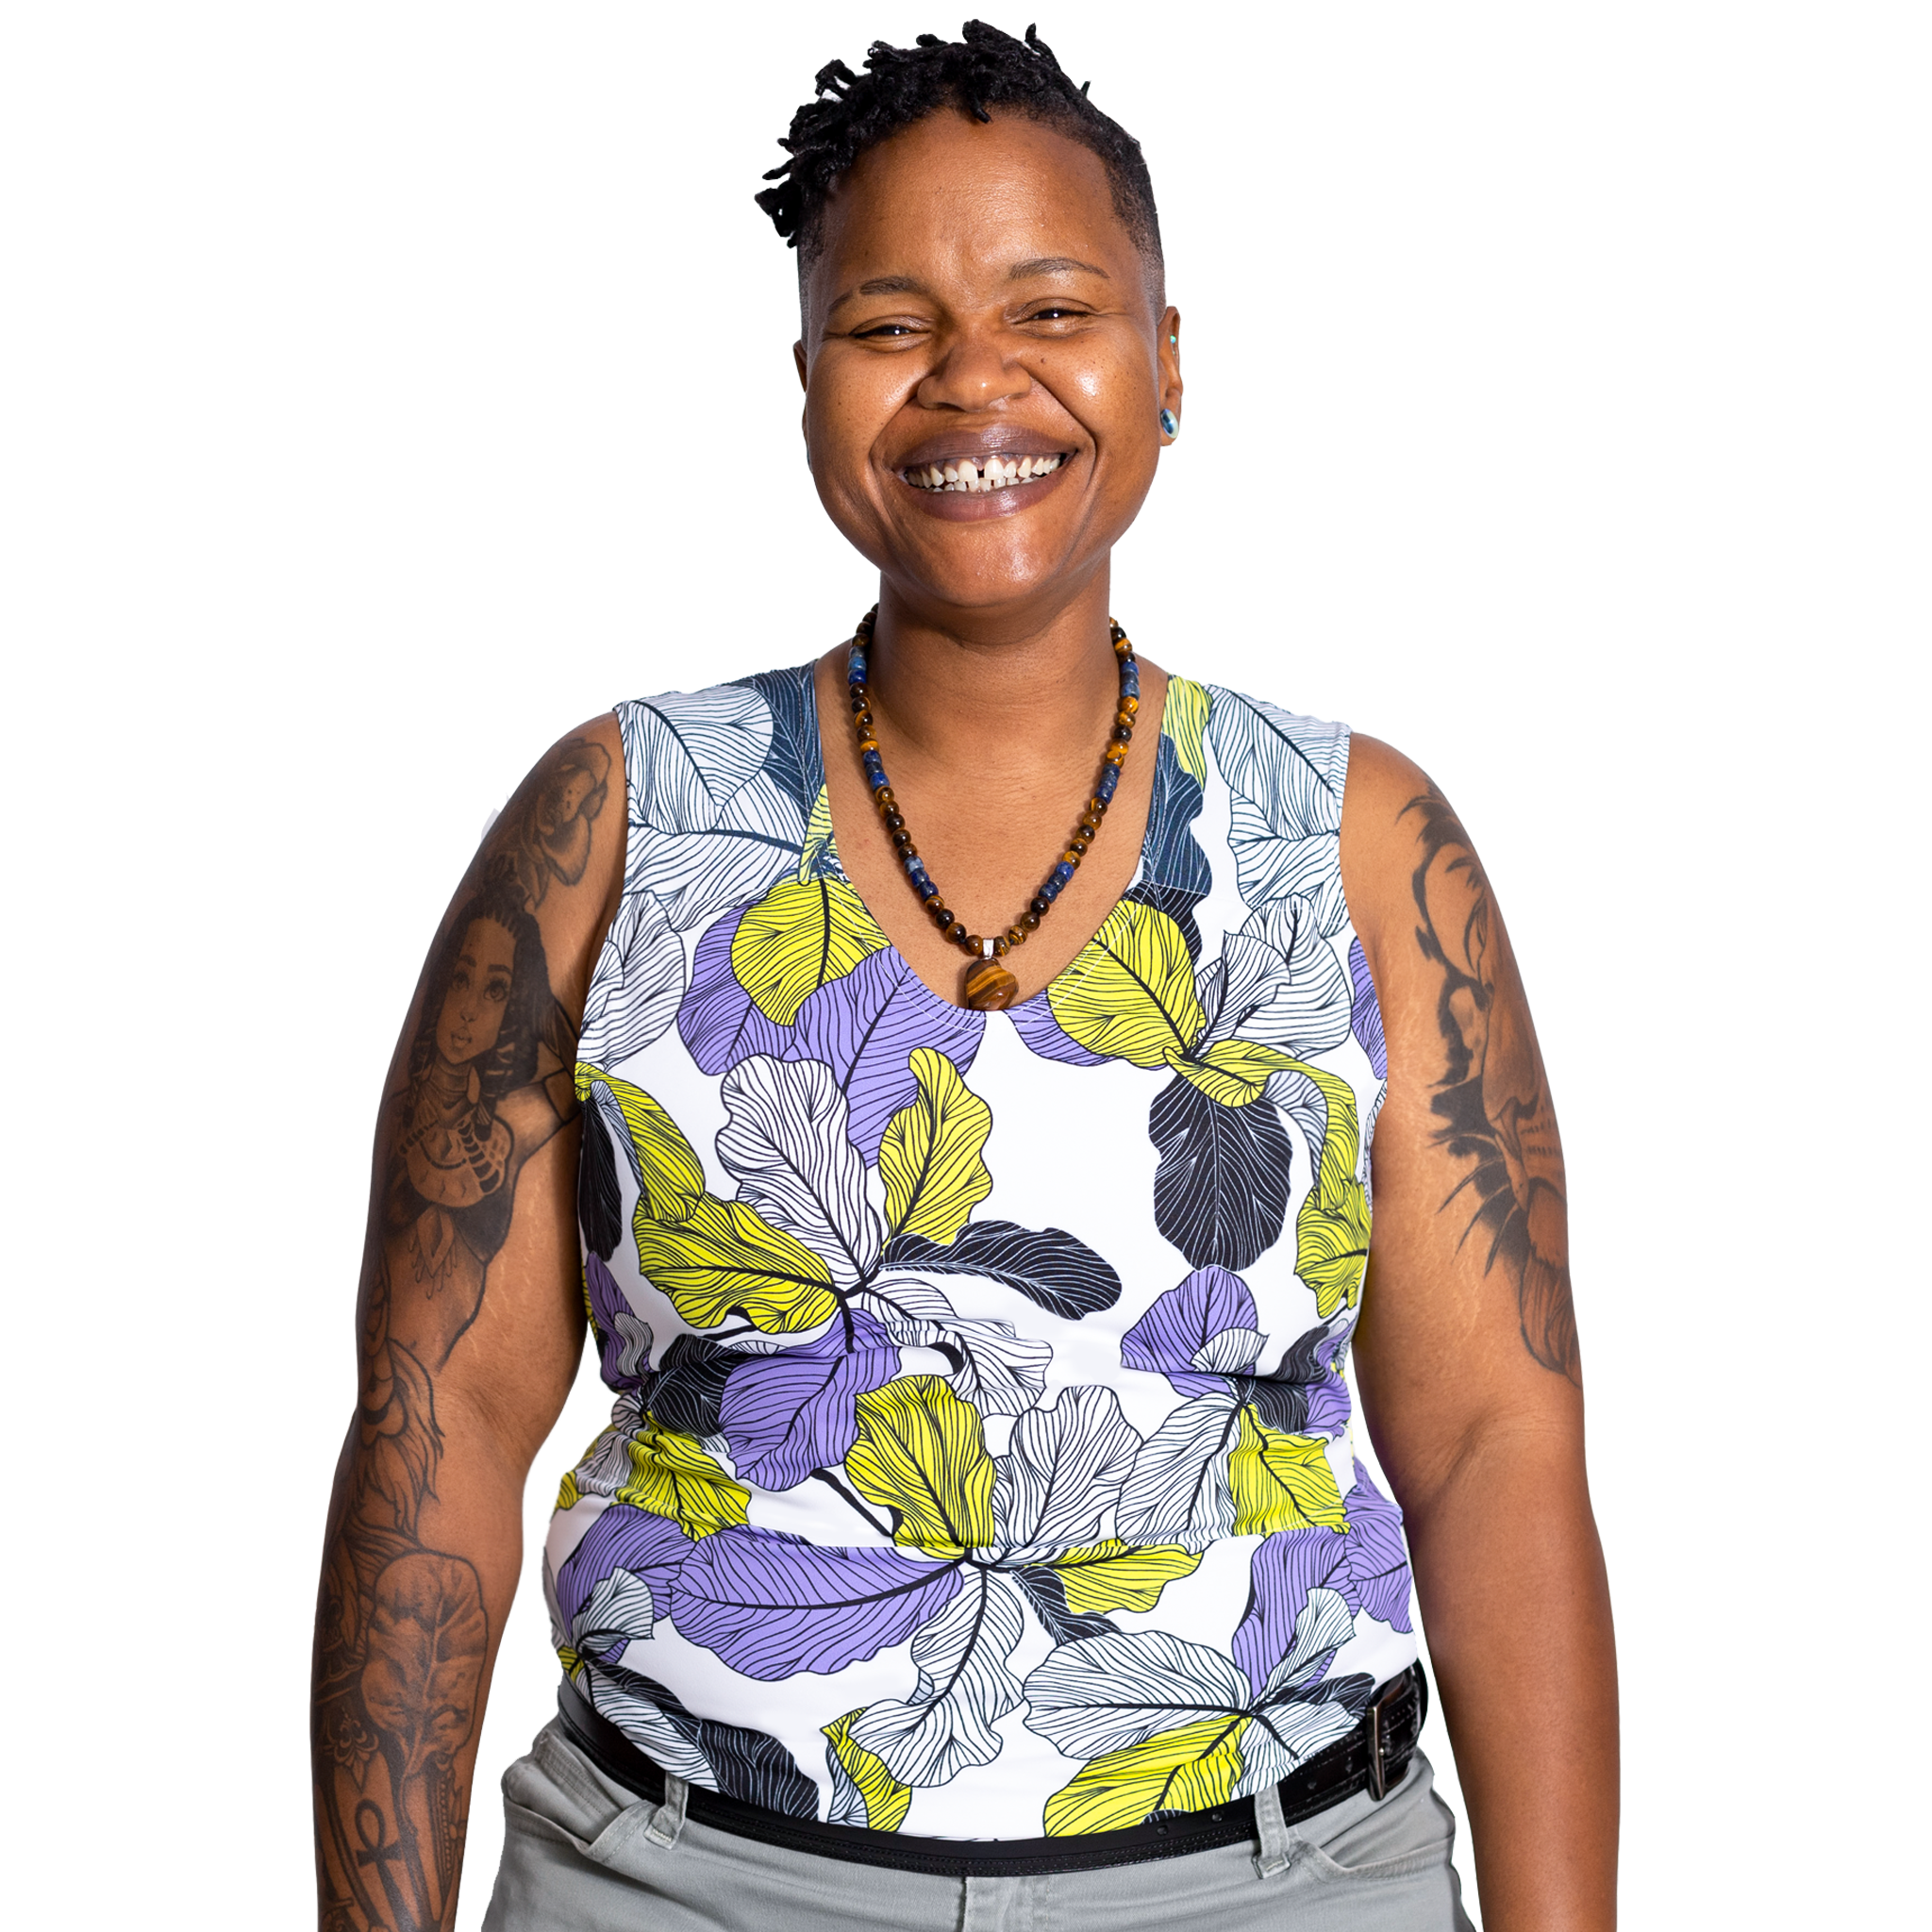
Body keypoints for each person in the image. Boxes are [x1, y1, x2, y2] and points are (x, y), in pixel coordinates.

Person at [310, 22, 1617, 1931]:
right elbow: (431, 1430)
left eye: (1053, 309)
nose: (974, 378)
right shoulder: (615, 821)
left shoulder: (1352, 841)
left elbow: (1498, 1449)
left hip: (1277, 1884)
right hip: (679, 1880)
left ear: (1167, 361)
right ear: (808, 381)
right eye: (888, 323)